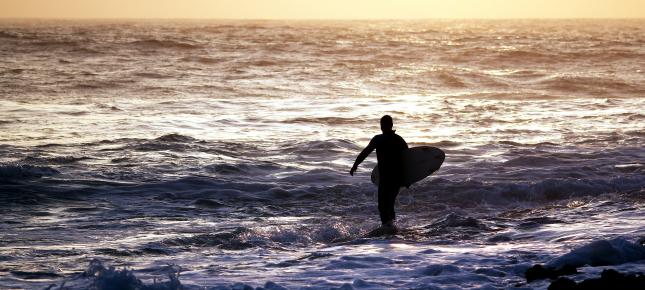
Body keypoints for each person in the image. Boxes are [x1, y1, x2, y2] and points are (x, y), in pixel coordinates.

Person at [350, 115, 408, 229]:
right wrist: (407, 178)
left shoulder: (378, 139)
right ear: (392, 125)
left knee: (382, 206)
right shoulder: (399, 139)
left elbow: (365, 152)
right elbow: (409, 158)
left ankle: (388, 229)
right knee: (390, 205)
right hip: (397, 177)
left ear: (382, 126)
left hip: (386, 178)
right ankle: (392, 228)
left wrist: (355, 165)